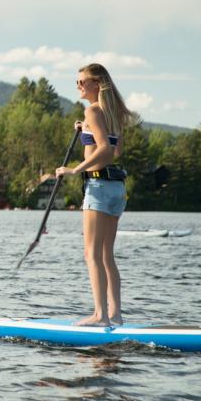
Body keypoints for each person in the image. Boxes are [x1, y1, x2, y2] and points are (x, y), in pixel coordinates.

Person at [55, 63, 138, 327]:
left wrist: (73, 170)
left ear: (96, 84)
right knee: (106, 256)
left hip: (99, 187)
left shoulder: (93, 110)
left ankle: (100, 315)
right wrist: (86, 129)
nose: (78, 86)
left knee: (91, 254)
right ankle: (116, 315)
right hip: (117, 189)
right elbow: (116, 152)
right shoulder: (111, 114)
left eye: (81, 82)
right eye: (76, 82)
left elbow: (103, 151)